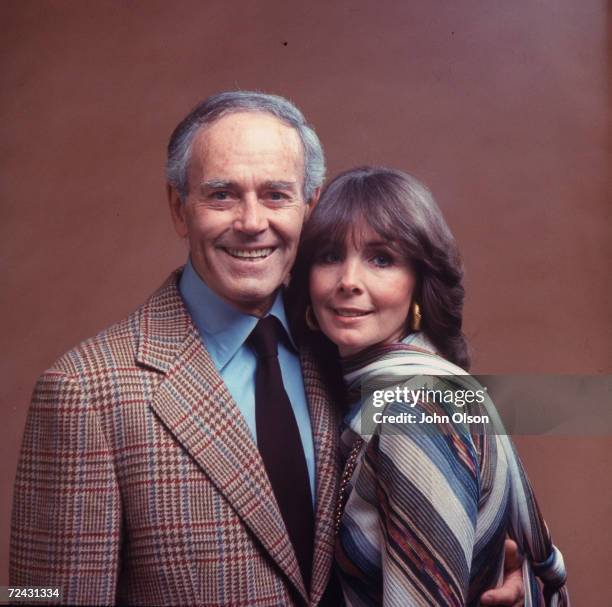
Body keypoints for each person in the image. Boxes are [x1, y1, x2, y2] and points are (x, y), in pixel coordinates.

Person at [10, 92, 525, 606]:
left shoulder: (344, 347)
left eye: (276, 195)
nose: (252, 222)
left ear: (310, 206)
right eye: (222, 195)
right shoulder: (84, 392)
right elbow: (38, 595)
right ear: (178, 208)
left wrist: (498, 574)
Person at [289, 166, 569, 606]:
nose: (348, 281)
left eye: (381, 259)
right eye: (328, 256)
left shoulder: (417, 407)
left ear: (419, 282)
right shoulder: (364, 394)